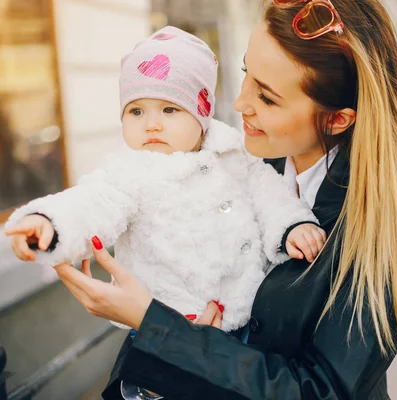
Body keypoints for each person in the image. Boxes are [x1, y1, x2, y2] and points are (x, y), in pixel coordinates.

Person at [53, 1, 397, 398]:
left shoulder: (396, 221)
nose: (240, 103)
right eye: (247, 73)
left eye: (267, 97)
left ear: (337, 119)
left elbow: (319, 390)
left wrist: (160, 328)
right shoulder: (241, 160)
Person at [4, 26, 325, 334]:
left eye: (170, 110)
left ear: (202, 117)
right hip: (170, 324)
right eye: (136, 111)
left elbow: (270, 194)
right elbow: (92, 202)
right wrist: (50, 222)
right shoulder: (129, 171)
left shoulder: (232, 154)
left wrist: (292, 226)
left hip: (248, 318)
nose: (152, 125)